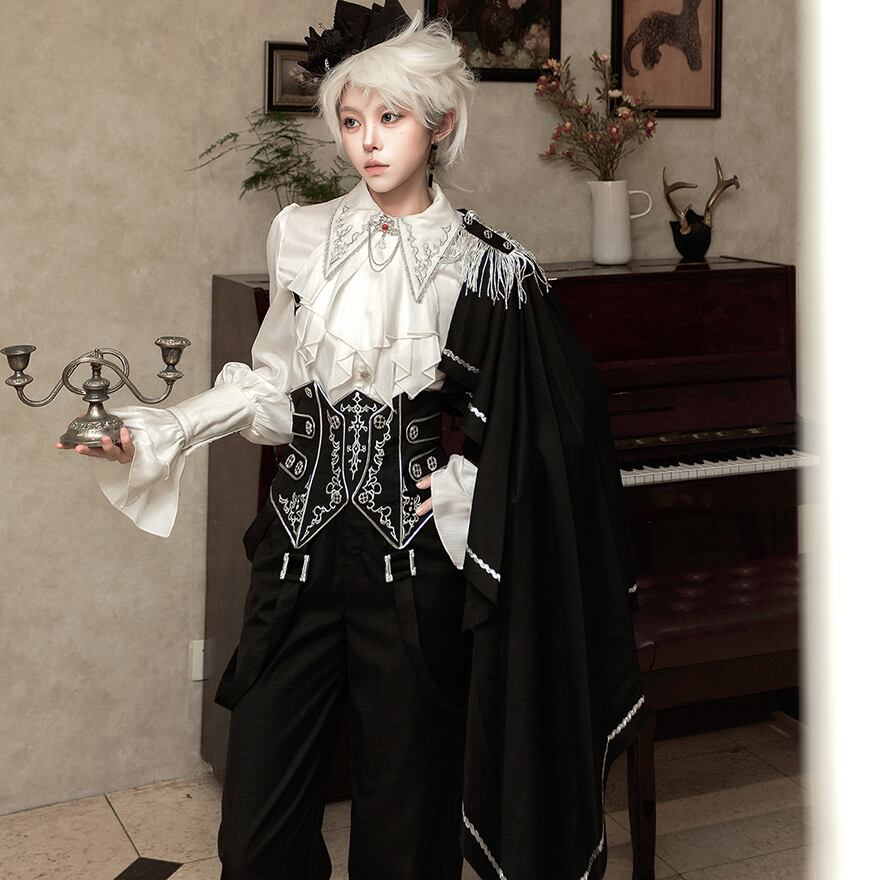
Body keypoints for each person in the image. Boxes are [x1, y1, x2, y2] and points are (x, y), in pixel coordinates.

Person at [60, 4, 649, 879]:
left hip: (414, 573)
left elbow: (550, 429)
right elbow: (274, 386)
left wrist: (466, 487)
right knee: (255, 836)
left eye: (390, 117)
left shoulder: (487, 264)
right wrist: (164, 429)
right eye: (348, 119)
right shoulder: (300, 233)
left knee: (403, 834)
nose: (366, 141)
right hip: (295, 558)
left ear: (438, 123)